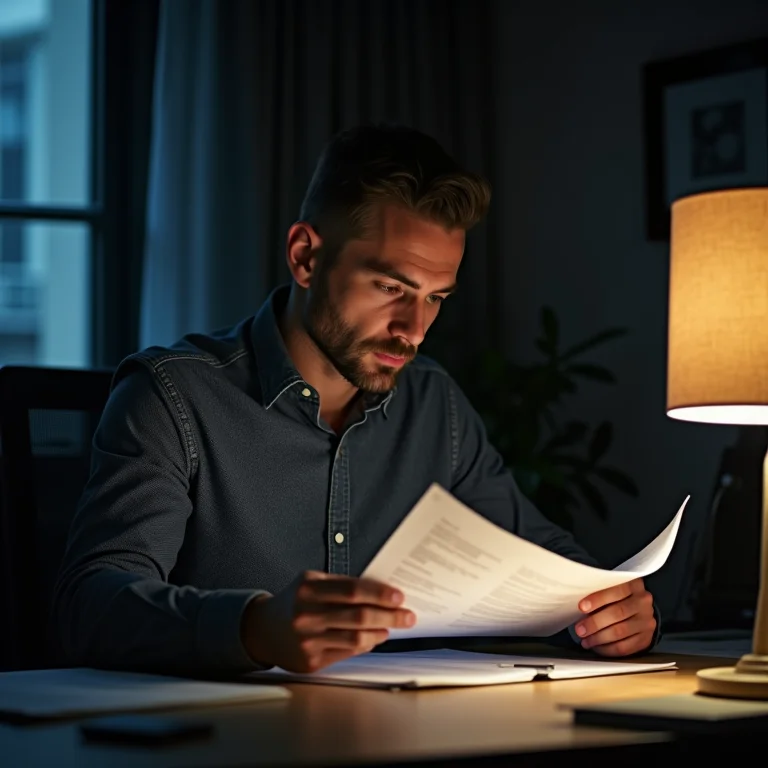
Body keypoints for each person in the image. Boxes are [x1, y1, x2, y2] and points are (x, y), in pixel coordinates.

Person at [53, 124, 658, 675]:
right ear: (306, 257)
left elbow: (549, 567)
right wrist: (254, 628)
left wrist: (607, 613)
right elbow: (92, 603)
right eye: (392, 287)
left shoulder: (436, 407)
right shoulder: (172, 396)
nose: (413, 328)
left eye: (436, 298)